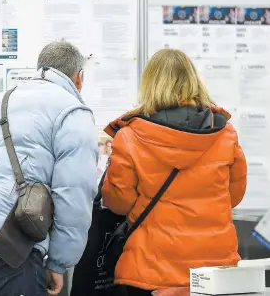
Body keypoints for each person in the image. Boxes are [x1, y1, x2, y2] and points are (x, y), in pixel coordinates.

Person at [0, 41, 98, 296]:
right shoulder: (72, 111)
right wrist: (59, 262)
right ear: (79, 78)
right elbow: (75, 193)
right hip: (9, 239)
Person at [102, 49, 247, 296]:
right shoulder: (225, 134)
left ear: (150, 84)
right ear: (193, 81)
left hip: (151, 270)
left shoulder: (130, 137)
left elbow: (119, 202)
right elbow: (233, 196)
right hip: (214, 270)